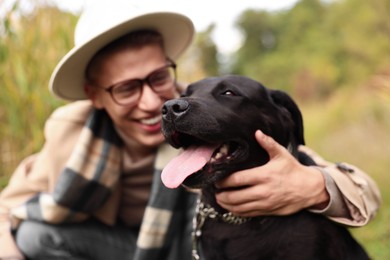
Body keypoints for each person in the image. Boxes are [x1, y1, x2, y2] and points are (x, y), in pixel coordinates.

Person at [0, 2, 381, 260]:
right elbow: (5, 210)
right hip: (129, 248)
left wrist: (312, 187)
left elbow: (359, 188)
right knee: (32, 234)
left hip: (195, 244)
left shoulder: (198, 113)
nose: (153, 103)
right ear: (95, 96)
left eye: (159, 78)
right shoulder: (71, 134)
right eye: (127, 89)